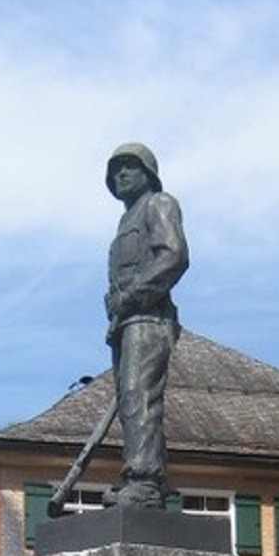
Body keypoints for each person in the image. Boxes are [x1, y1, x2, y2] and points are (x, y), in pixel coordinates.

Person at [102, 143, 189, 509]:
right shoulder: (125, 222)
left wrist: (133, 295)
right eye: (116, 169)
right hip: (127, 322)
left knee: (139, 396)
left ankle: (144, 482)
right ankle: (149, 479)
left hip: (149, 317)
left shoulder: (159, 204)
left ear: (147, 173)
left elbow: (173, 255)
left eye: (129, 167)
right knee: (131, 401)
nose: (121, 174)